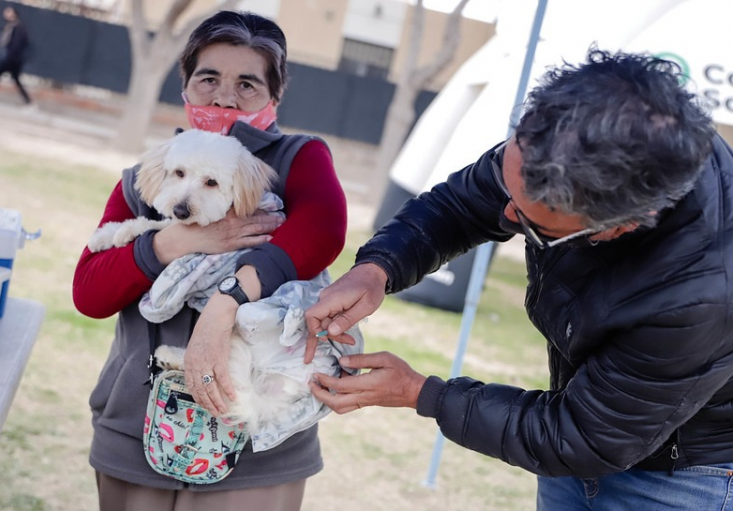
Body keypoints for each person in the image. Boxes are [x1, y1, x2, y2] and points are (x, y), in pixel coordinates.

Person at [305, 48, 733, 510]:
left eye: (529, 225)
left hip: (677, 480)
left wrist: (420, 393)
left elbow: (583, 437)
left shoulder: (700, 292)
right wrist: (378, 267)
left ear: (619, 226)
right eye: (509, 188)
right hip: (582, 438)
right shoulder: (562, 141)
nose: (505, 214)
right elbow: (462, 205)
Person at [73, 11, 347, 511]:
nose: (224, 96)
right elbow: (89, 293)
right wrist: (170, 243)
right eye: (209, 78)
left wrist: (229, 300)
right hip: (136, 422)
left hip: (255, 442)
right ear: (185, 85)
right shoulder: (146, 176)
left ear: (274, 96)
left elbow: (324, 234)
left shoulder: (297, 158)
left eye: (247, 83)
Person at [0, 6, 32, 105]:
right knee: (0, 77)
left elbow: (18, 44)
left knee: (1, 76)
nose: (6, 14)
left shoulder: (19, 28)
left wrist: (11, 56)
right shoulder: (8, 26)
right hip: (7, 57)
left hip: (11, 59)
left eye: (9, 12)